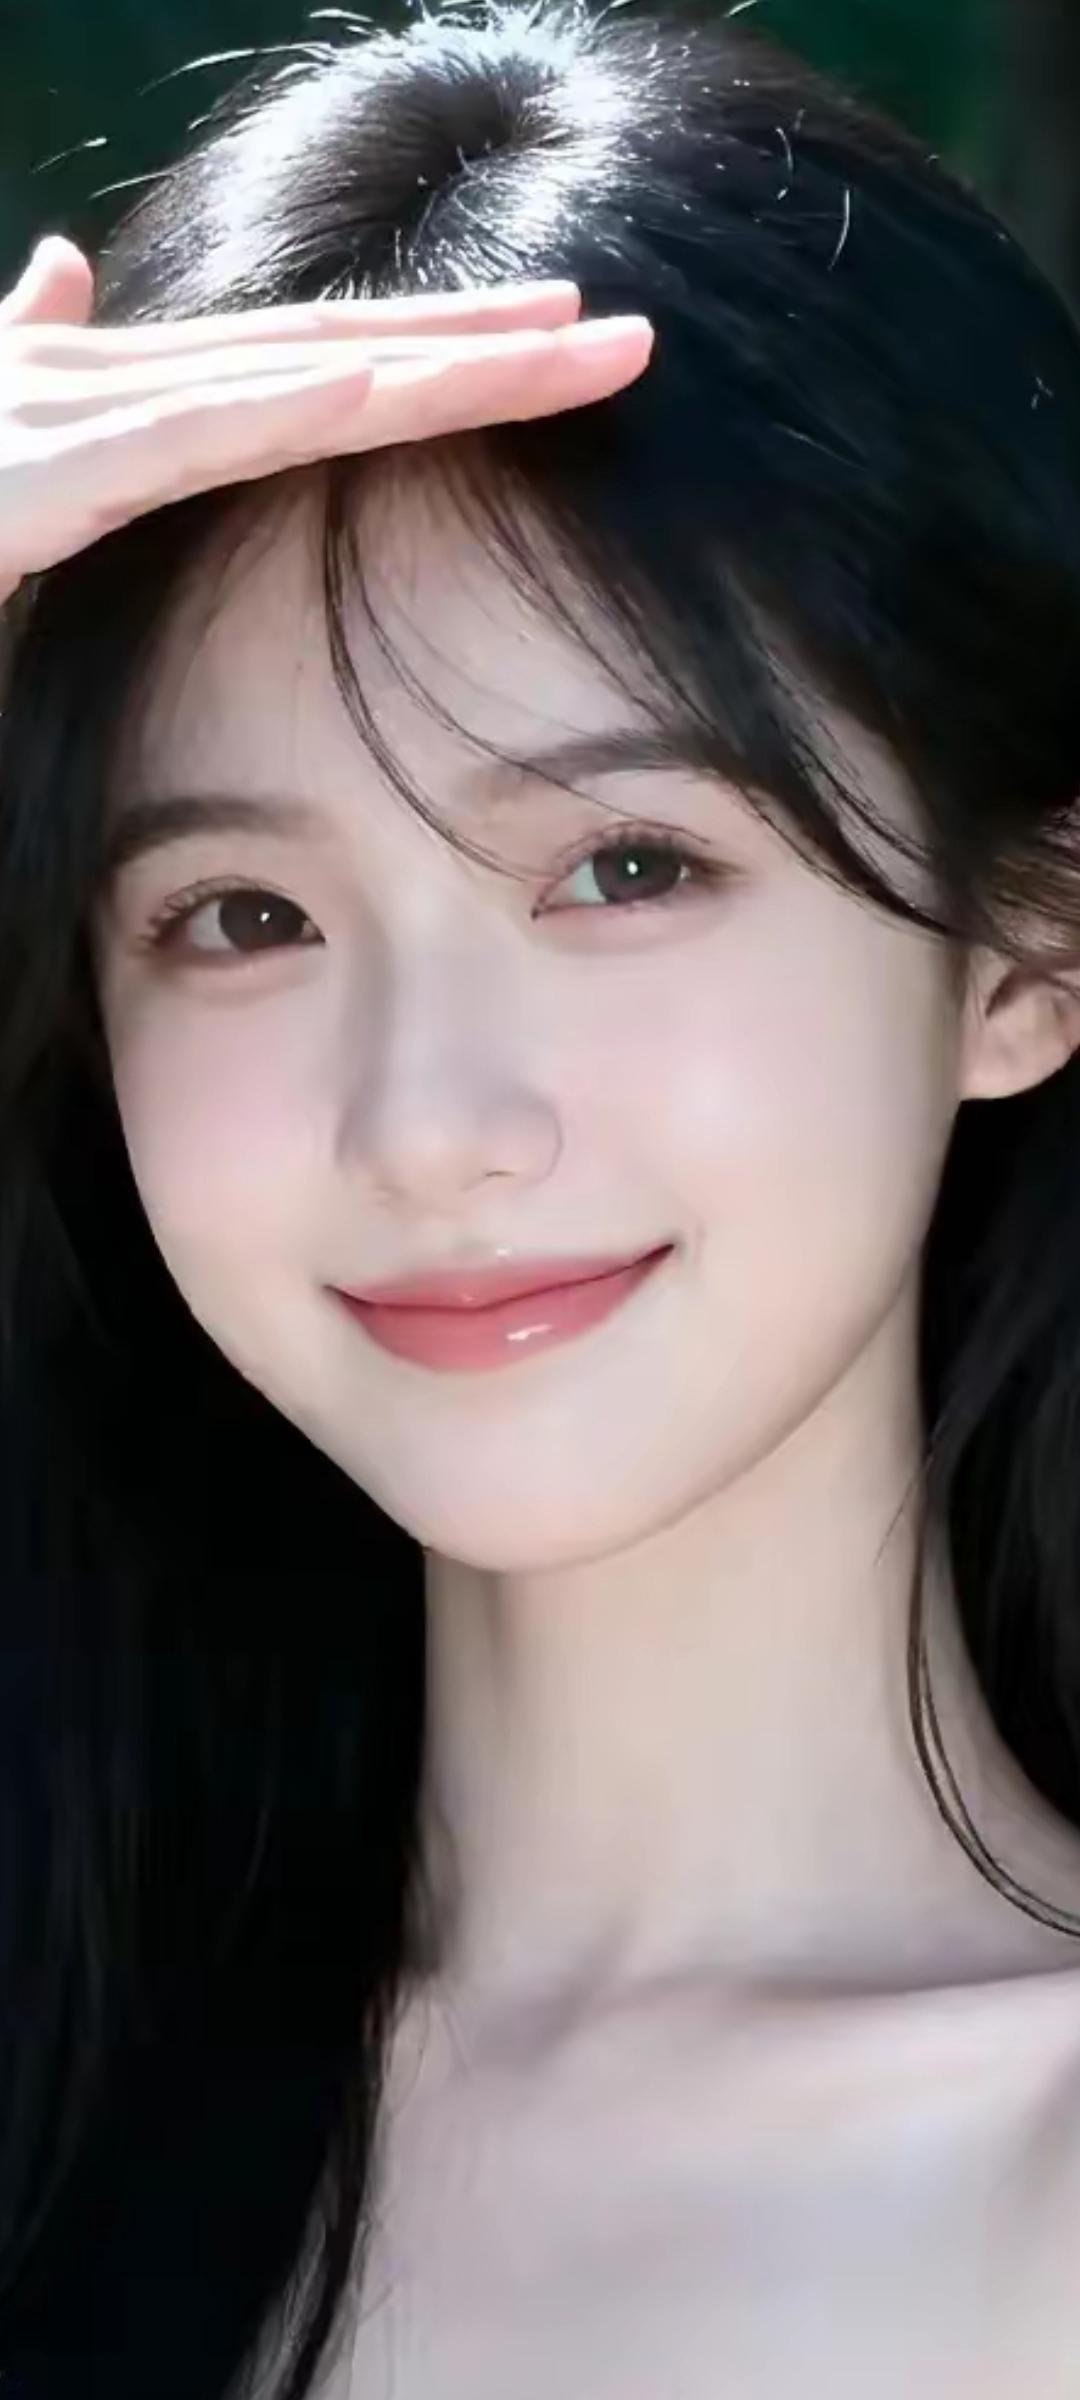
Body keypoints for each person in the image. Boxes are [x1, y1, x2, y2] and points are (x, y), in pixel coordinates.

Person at [4, 0, 1080, 2391]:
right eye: (242, 916)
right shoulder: (71, 2084)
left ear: (1027, 951)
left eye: (624, 865)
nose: (428, 1123)